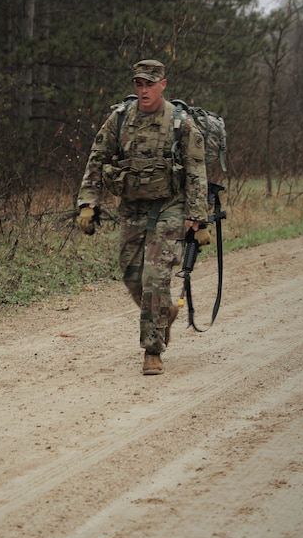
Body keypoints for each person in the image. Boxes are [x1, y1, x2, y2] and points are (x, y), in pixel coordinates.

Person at [77, 59, 210, 375]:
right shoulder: (120, 119)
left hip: (170, 207)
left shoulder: (180, 123)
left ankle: (152, 351)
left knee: (154, 277)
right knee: (132, 276)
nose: (144, 90)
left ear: (163, 84)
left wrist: (198, 219)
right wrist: (88, 202)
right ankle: (165, 313)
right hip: (133, 209)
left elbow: (196, 172)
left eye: (150, 84)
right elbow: (97, 159)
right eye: (139, 84)